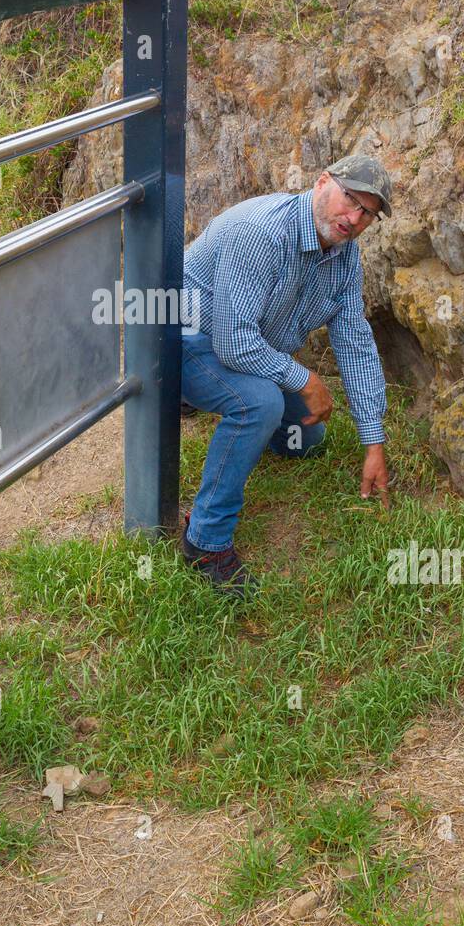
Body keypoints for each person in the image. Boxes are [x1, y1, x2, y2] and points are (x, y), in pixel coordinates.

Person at [179, 154, 392, 596]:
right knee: (261, 403)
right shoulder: (262, 233)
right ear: (321, 183)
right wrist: (305, 380)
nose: (353, 218)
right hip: (180, 341)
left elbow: (354, 341)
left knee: (306, 441)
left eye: (366, 212)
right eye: (349, 199)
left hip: (247, 349)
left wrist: (374, 441)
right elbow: (234, 342)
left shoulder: (344, 258)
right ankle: (206, 541)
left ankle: (236, 415)